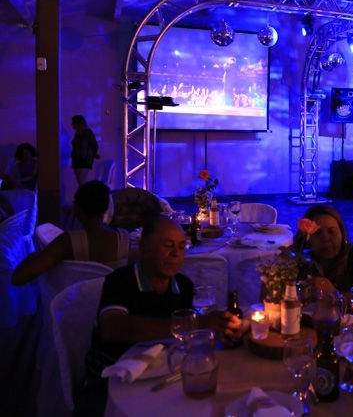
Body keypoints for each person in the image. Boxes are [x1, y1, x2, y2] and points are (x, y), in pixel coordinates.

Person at [73, 217, 243, 416]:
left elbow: (189, 337)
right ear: (144, 248)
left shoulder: (183, 285)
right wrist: (194, 324)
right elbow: (113, 328)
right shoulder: (120, 281)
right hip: (111, 382)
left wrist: (221, 333)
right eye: (168, 246)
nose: (176, 254)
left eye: (181, 247)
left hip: (165, 378)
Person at [271, 205, 353, 311]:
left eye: (331, 231)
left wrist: (335, 295)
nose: (325, 238)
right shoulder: (295, 256)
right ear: (306, 238)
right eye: (317, 233)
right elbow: (268, 296)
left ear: (342, 233)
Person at [12, 181, 130, 286]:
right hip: (115, 303)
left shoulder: (68, 241)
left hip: (77, 302)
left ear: (77, 208)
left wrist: (33, 256)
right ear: (106, 209)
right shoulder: (124, 238)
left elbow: (18, 278)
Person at [71, 114, 100, 186]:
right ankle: (83, 192)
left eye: (73, 123)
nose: (72, 124)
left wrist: (92, 154)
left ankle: (84, 192)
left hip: (84, 159)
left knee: (81, 181)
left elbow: (94, 145)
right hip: (77, 159)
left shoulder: (87, 132)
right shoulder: (77, 133)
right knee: (80, 181)